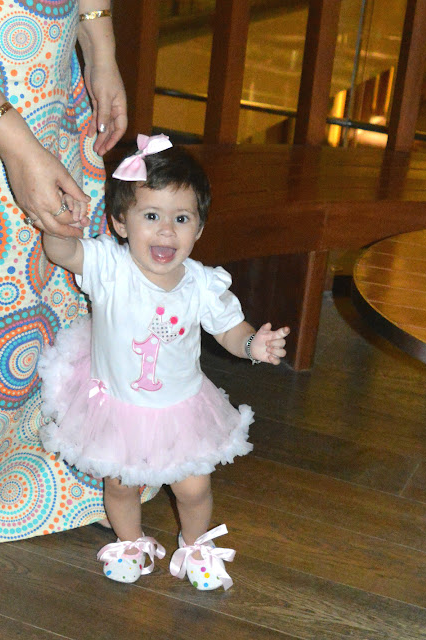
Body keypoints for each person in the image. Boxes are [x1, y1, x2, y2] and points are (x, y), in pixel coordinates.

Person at [0, 1, 159, 578]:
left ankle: (48, 475)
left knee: (42, 293)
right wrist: (17, 148)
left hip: (46, 82)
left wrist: (100, 45)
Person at [38, 134, 290, 590]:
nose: (166, 231)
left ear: (199, 229)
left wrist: (253, 344)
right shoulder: (109, 267)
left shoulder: (201, 284)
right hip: (116, 405)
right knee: (120, 485)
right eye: (151, 216)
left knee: (192, 488)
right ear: (120, 222)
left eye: (181, 218)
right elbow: (62, 253)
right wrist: (60, 226)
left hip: (182, 408)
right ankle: (129, 542)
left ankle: (195, 546)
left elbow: (229, 330)